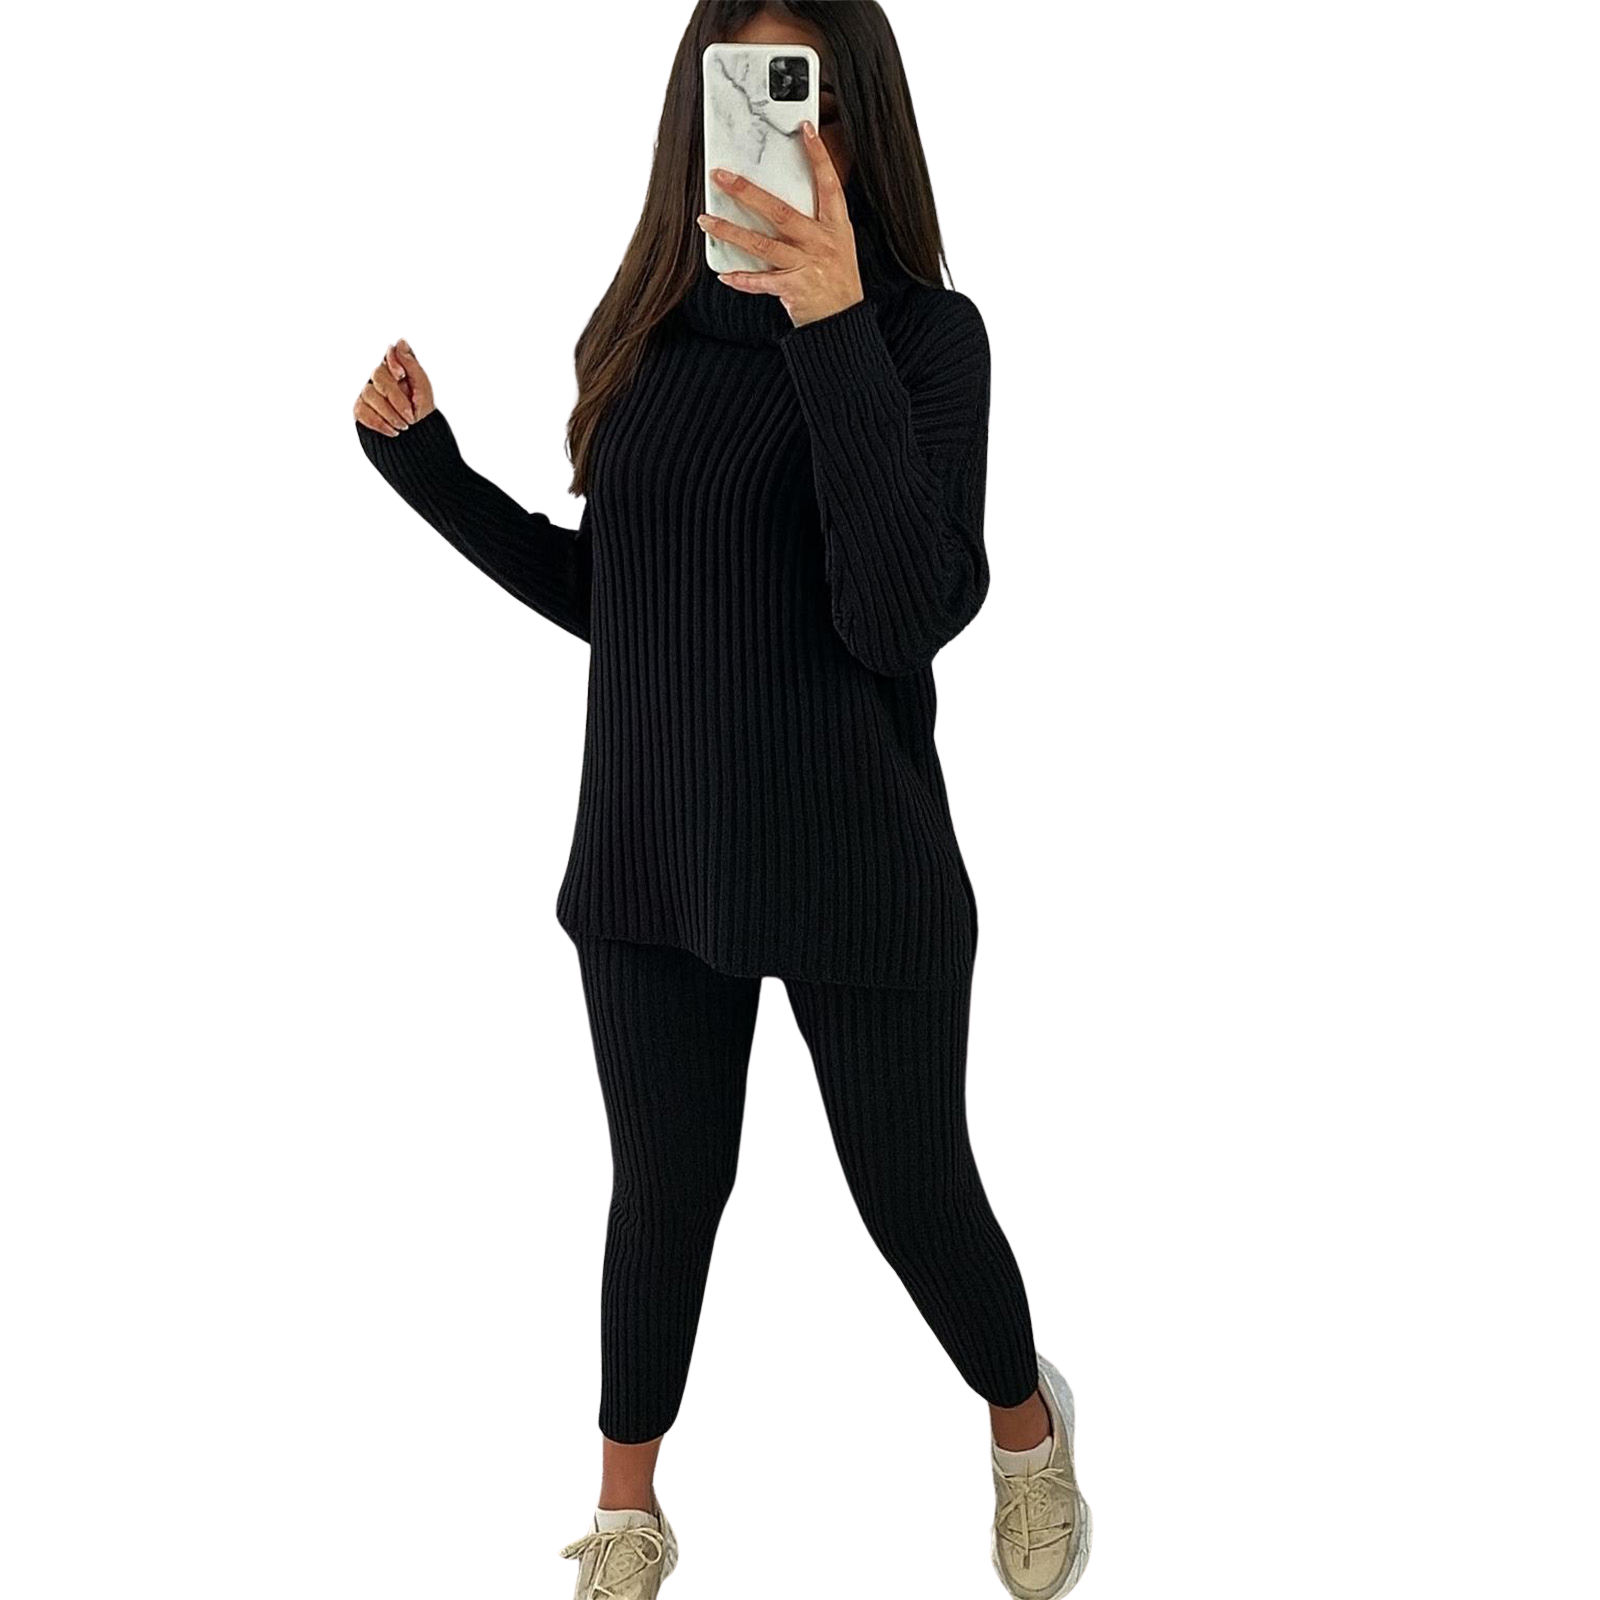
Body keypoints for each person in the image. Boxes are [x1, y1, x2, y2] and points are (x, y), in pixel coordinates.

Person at [351, 3, 1090, 1595]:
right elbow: (628, 602)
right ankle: (627, 1513)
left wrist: (832, 329)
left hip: (857, 864)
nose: (767, 127)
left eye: (796, 94)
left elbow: (901, 614)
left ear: (855, 121)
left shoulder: (926, 340)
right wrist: (434, 475)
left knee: (913, 1196)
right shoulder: (648, 335)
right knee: (665, 1194)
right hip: (652, 857)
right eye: (736, 90)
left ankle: (1028, 1434)